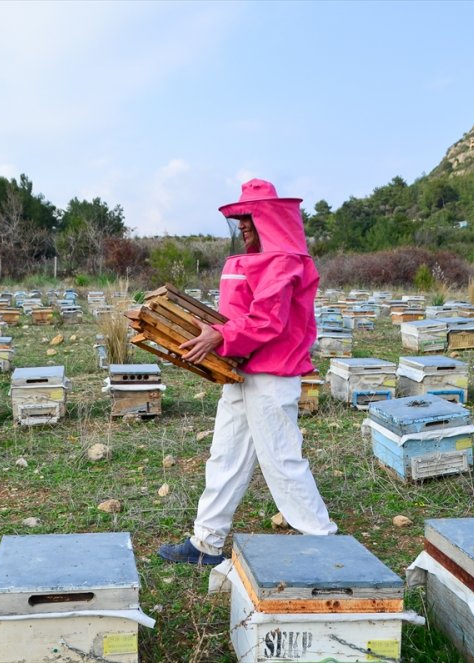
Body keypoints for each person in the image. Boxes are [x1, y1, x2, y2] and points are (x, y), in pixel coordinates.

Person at [158, 178, 337, 565]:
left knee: (282, 460)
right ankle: (206, 542)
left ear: (270, 220)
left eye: (249, 219)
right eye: (240, 219)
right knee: (225, 455)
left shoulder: (285, 261)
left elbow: (267, 320)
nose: (242, 226)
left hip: (271, 376)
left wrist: (218, 337)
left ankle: (325, 543)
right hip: (241, 370)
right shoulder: (260, 260)